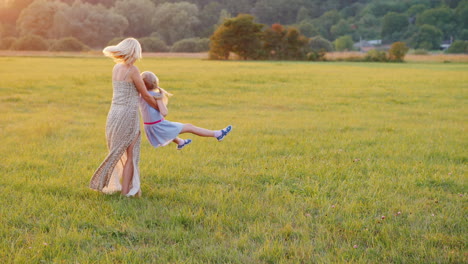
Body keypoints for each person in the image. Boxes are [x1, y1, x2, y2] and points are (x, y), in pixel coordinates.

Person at [89, 38, 159, 197]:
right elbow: (146, 95)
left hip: (114, 113)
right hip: (128, 115)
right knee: (131, 154)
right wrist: (159, 108)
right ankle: (127, 192)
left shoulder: (116, 68)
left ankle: (129, 189)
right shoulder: (133, 70)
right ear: (134, 52)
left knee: (118, 151)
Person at [139, 71, 232, 150]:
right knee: (189, 127)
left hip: (149, 127)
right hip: (159, 126)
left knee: (171, 130)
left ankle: (181, 142)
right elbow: (164, 113)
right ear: (155, 82)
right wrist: (159, 100)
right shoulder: (156, 96)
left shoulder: (140, 95)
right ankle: (217, 134)